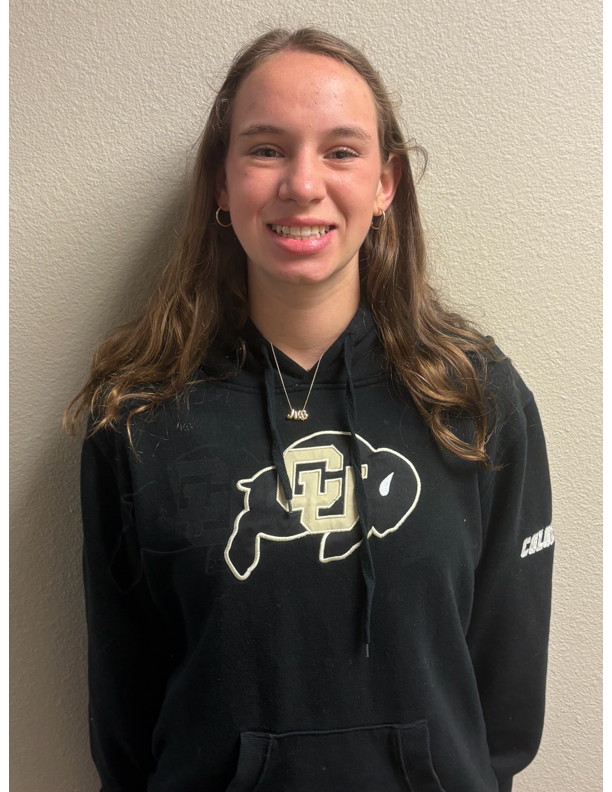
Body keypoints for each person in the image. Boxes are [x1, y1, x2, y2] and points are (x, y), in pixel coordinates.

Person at [67, 27, 554, 792]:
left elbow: (508, 692)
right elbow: (123, 711)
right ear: (221, 183)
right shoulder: (138, 416)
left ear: (385, 183)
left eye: (340, 151)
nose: (302, 183)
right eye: (266, 149)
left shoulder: (476, 399)